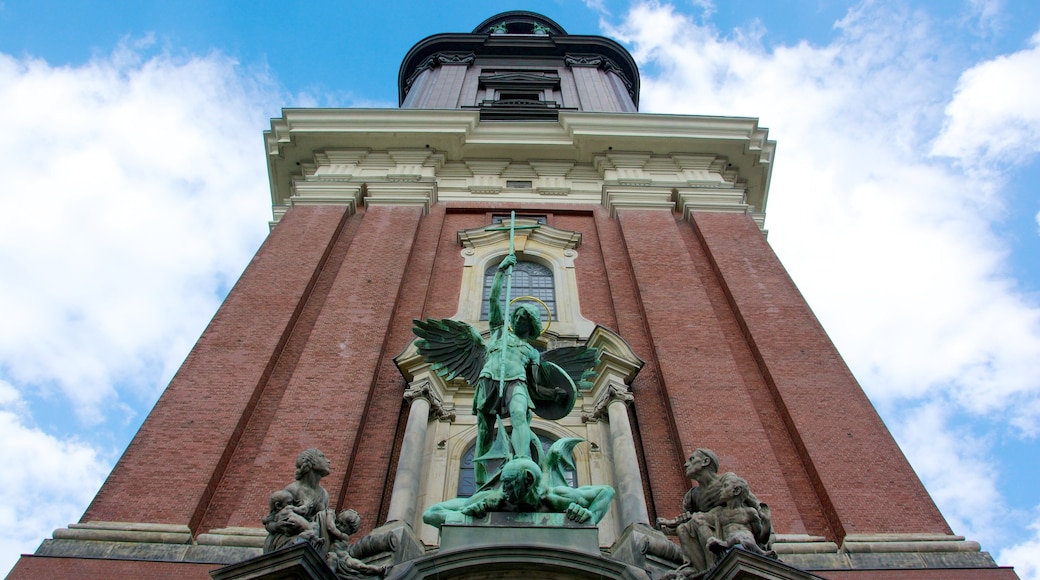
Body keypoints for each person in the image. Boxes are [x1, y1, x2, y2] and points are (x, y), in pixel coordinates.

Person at [471, 253, 544, 480]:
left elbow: (536, 383)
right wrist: (500, 272)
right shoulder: (499, 332)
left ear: (531, 325)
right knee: (484, 431)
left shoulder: (532, 351)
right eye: (518, 315)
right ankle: (481, 479)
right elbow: (494, 301)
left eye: (525, 317)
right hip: (490, 378)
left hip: (518, 382)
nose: (520, 318)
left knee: (519, 415)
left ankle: (522, 460)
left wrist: (556, 394)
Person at [657, 449, 772, 575]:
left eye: (691, 460)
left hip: (736, 530)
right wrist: (669, 525)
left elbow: (756, 504)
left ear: (705, 461)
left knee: (698, 520)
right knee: (684, 528)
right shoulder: (693, 496)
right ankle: (697, 566)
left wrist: (768, 531)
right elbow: (689, 520)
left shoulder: (727, 481)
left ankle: (715, 563)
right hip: (710, 527)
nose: (686, 464)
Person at [422, 456, 615, 528]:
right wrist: (462, 515)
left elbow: (606, 492)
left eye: (508, 482)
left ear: (528, 480)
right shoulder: (491, 499)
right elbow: (430, 514)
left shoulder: (556, 498)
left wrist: (589, 519)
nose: (502, 487)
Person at [262, 448, 334, 554]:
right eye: (322, 457)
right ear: (311, 462)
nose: (328, 461)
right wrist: (278, 526)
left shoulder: (324, 494)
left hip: (313, 536)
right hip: (289, 538)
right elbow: (270, 521)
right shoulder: (293, 489)